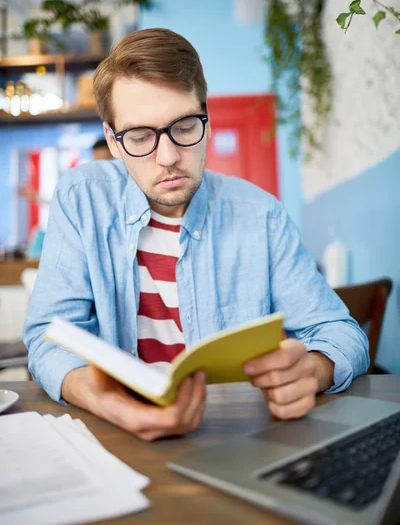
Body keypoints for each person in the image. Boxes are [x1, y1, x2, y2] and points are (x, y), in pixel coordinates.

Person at [24, 28, 369, 442]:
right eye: (139, 137)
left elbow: (342, 334)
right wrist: (102, 400)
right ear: (113, 142)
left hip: (237, 438)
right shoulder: (82, 199)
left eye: (185, 126)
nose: (168, 157)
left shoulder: (260, 214)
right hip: (115, 438)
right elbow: (48, 335)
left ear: (206, 116)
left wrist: (311, 370)